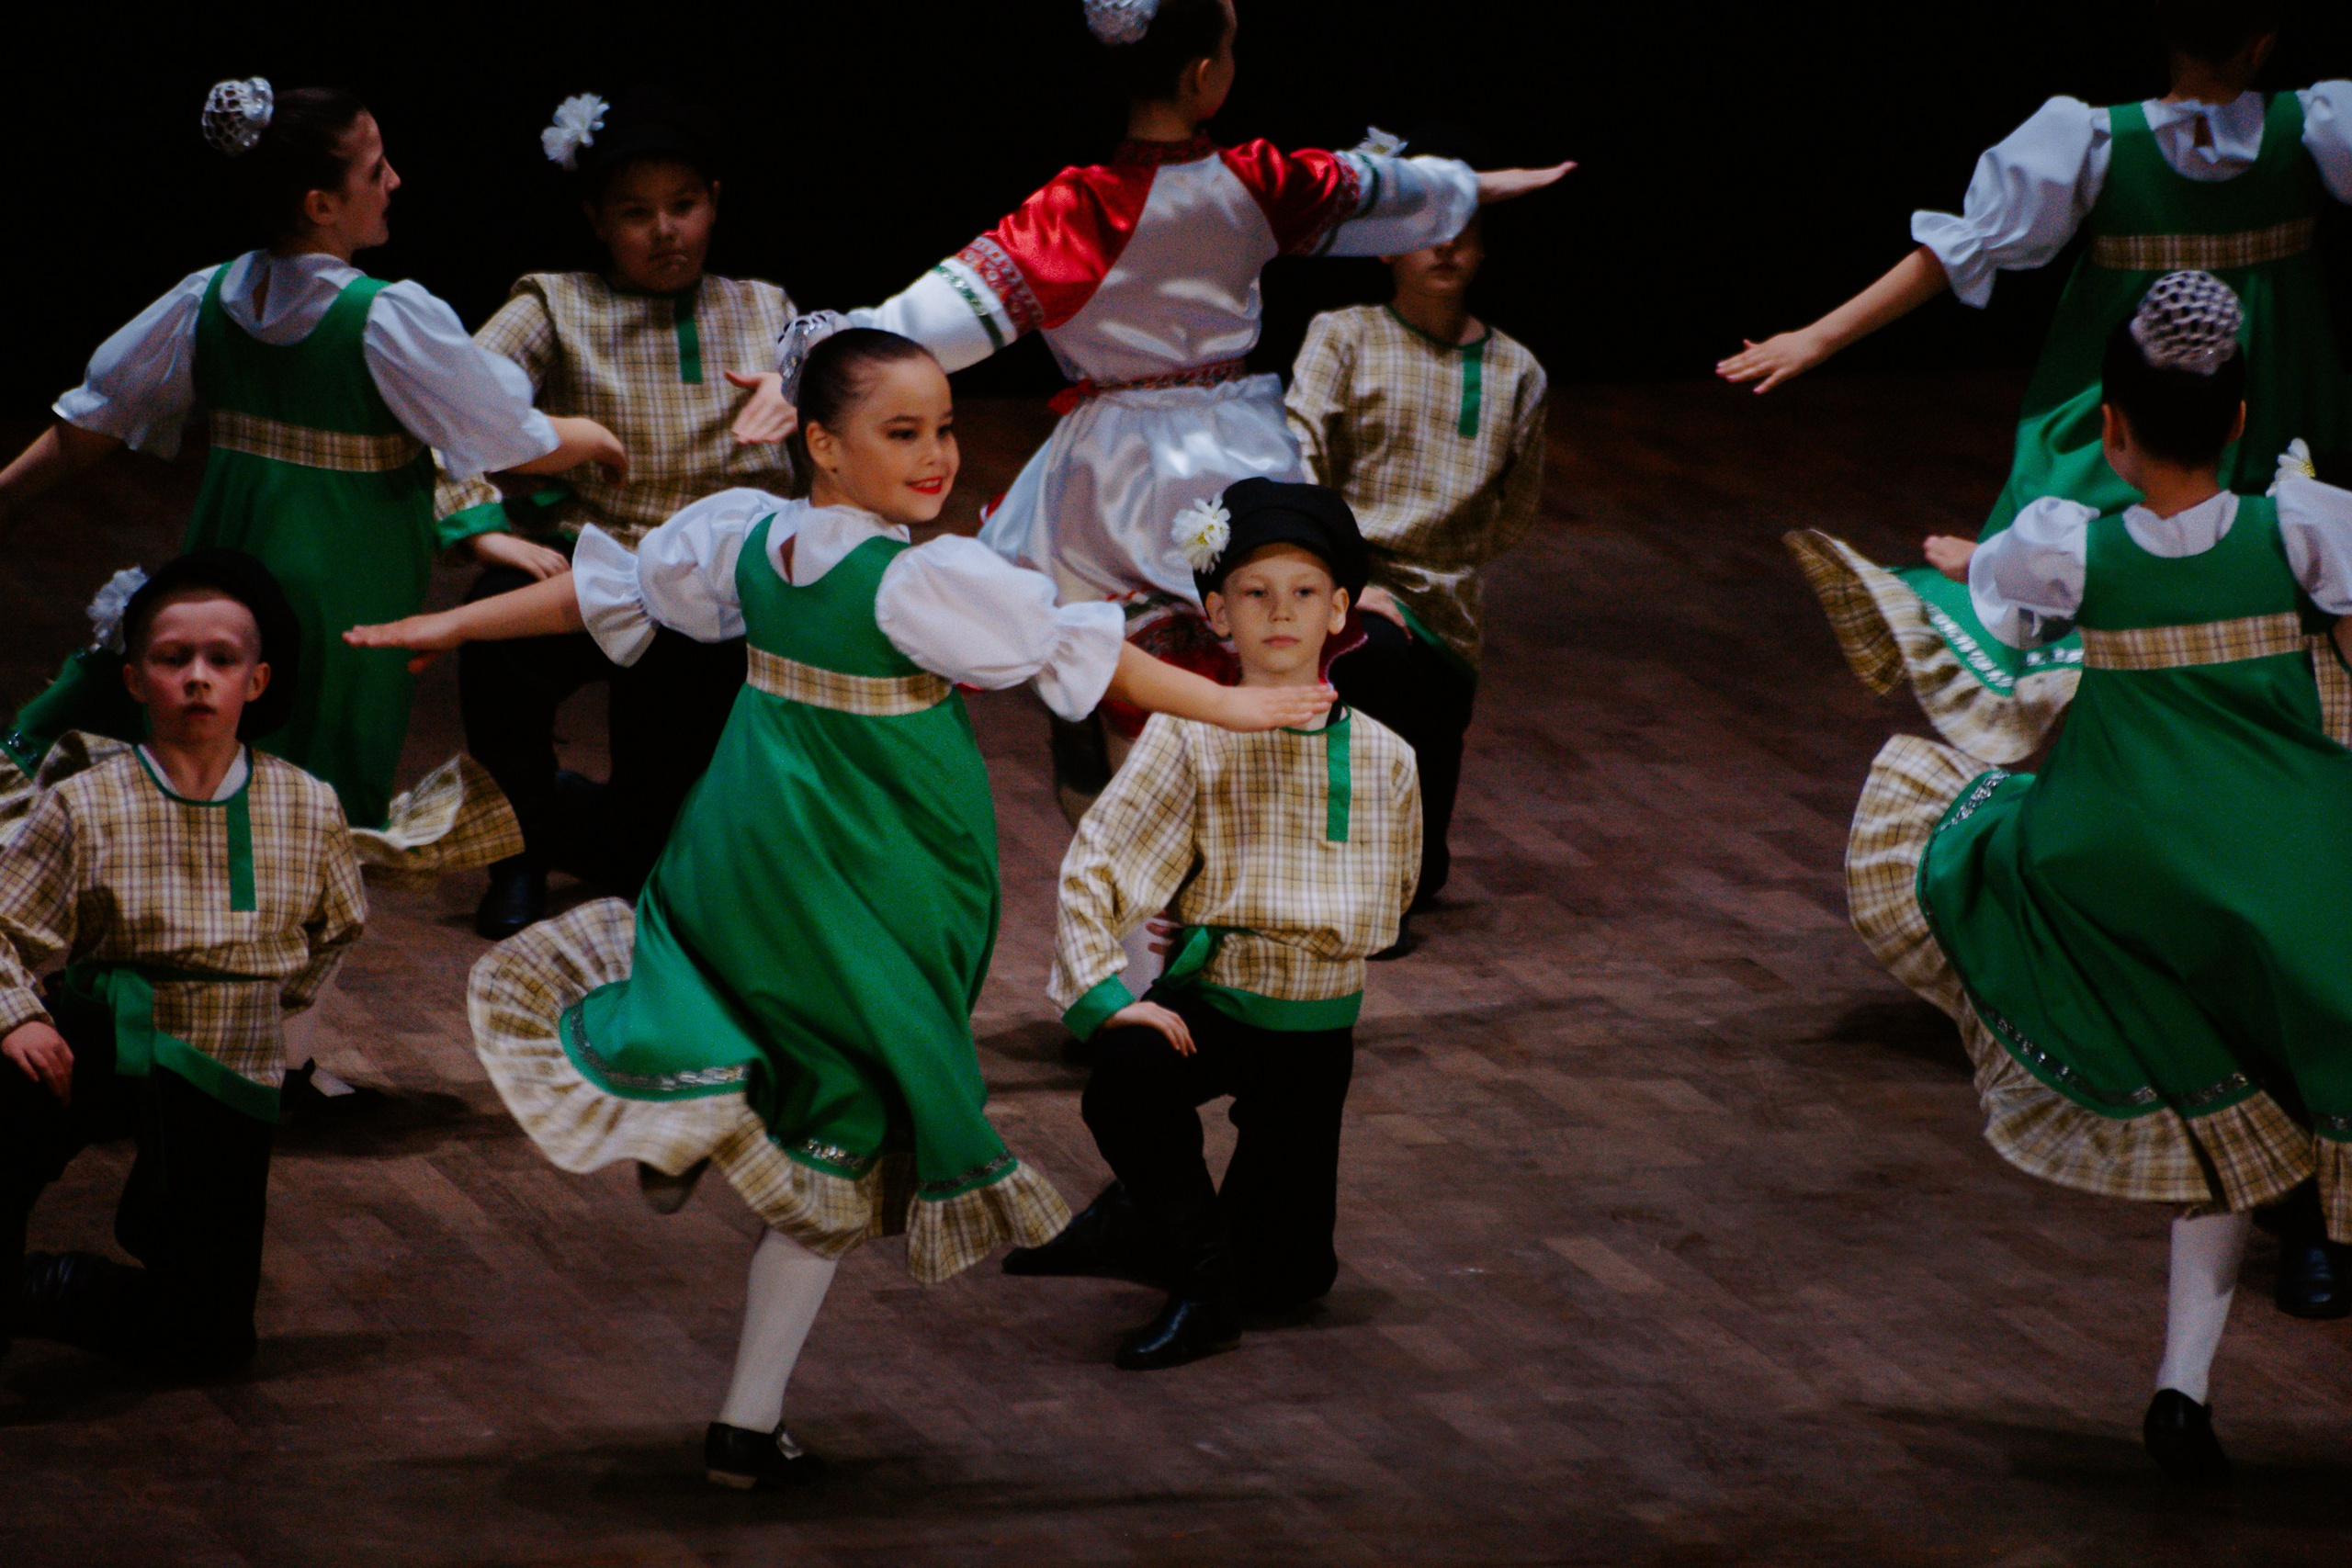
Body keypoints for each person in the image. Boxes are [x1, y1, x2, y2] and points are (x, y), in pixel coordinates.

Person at [344, 323, 1335, 1487]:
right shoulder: (912, 577)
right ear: (820, 443)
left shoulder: (750, 542)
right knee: (852, 1105)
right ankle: (743, 1420)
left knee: (784, 1046)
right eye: (900, 432)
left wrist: (445, 627)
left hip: (761, 842)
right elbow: (1093, 659)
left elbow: (605, 596)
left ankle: (710, 1158)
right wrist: (1234, 710)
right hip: (869, 860)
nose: (935, 456)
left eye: (946, 427)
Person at [739, 0, 1567, 819]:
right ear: (1206, 77)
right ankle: (1188, 869)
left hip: (1117, 467)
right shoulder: (1253, 182)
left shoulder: (1077, 212)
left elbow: (932, 313)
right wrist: (1472, 188)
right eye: (1233, 50)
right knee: (1253, 646)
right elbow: (1371, 189)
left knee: (1135, 663)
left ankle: (1137, 826)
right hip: (1238, 448)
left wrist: (811, 365)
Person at [1844, 271, 2352, 1483]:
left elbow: (2000, 623)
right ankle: (2310, 1254)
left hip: (2132, 870)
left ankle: (2182, 1391)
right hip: (2285, 865)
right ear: (2239, 420)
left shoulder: (2067, 545)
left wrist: (1968, 565)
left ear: (2111, 433)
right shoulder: (2305, 523)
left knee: (2220, 1115)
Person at [1721, 3, 2352, 765]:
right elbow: (1969, 247)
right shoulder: (2317, 127)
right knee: (2246, 566)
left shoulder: (2092, 141)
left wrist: (1820, 335)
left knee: (2111, 557)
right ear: (2264, 43)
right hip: (2261, 396)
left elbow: (1963, 249)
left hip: (2150, 396)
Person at [0, 78, 623, 834]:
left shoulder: (209, 297)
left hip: (231, 564)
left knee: (215, 751)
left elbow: (87, 424)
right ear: (319, 204)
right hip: (345, 588)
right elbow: (503, 436)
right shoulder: (382, 318)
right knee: (311, 769)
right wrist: (588, 437)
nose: (394, 181)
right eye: (374, 170)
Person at [1005, 479, 1419, 1370]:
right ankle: (1200, 1284)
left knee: (1292, 1278)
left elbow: (1385, 902)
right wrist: (1107, 993)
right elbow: (1102, 860)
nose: (1280, 612)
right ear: (1216, 613)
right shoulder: (1190, 733)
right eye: (1255, 593)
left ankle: (1134, 1222)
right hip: (1219, 1004)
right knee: (1124, 1075)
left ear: (1340, 610)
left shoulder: (1387, 757)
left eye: (1304, 593)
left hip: (1315, 1026)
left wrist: (1246, 914)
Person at [436, 87, 802, 936]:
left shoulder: (764, 308)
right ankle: (518, 856)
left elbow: (849, 395)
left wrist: (801, 391)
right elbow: (449, 404)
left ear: (715, 203)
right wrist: (482, 526)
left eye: (684, 205)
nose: (665, 230)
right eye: (637, 213)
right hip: (591, 559)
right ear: (597, 219)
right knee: (497, 652)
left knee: (651, 857)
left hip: (714, 590)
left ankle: (632, 837)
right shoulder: (554, 304)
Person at [0, 552, 365, 1375]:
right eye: (173, 659)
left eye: (221, 660)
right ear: (134, 679)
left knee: (212, 1342)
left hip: (222, 1052)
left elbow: (338, 925)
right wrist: (17, 1013)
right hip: (104, 1024)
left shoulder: (307, 804)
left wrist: (263, 1013)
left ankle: (45, 1287)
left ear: (258, 680)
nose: (197, 679)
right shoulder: (86, 800)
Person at [1286, 130, 1547, 937]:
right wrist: (1348, 581)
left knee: (1425, 872)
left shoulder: (1517, 370)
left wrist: (1446, 568)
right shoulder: (1345, 335)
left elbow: (1516, 507)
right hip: (1353, 590)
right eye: (1426, 227)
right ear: (1386, 248)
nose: (1445, 245)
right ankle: (1342, 885)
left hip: (1450, 609)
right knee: (1374, 660)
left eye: (1464, 228)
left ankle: (1395, 871)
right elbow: (1300, 459)